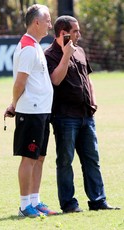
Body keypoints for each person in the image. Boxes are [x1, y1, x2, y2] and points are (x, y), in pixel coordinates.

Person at [44, 15, 121, 213]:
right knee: (65, 161)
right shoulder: (49, 54)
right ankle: (69, 204)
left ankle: (98, 201)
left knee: (92, 160)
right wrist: (66, 55)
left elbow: (88, 78)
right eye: (76, 31)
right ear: (63, 33)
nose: (79, 34)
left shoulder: (80, 51)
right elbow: (55, 80)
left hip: (86, 116)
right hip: (65, 117)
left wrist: (93, 102)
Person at [4, 4, 58, 218]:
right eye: (47, 20)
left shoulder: (35, 45)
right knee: (28, 158)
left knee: (40, 157)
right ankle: (24, 205)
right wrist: (14, 105)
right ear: (37, 22)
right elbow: (20, 83)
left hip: (42, 111)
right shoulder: (27, 47)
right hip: (32, 111)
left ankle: (35, 201)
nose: (50, 24)